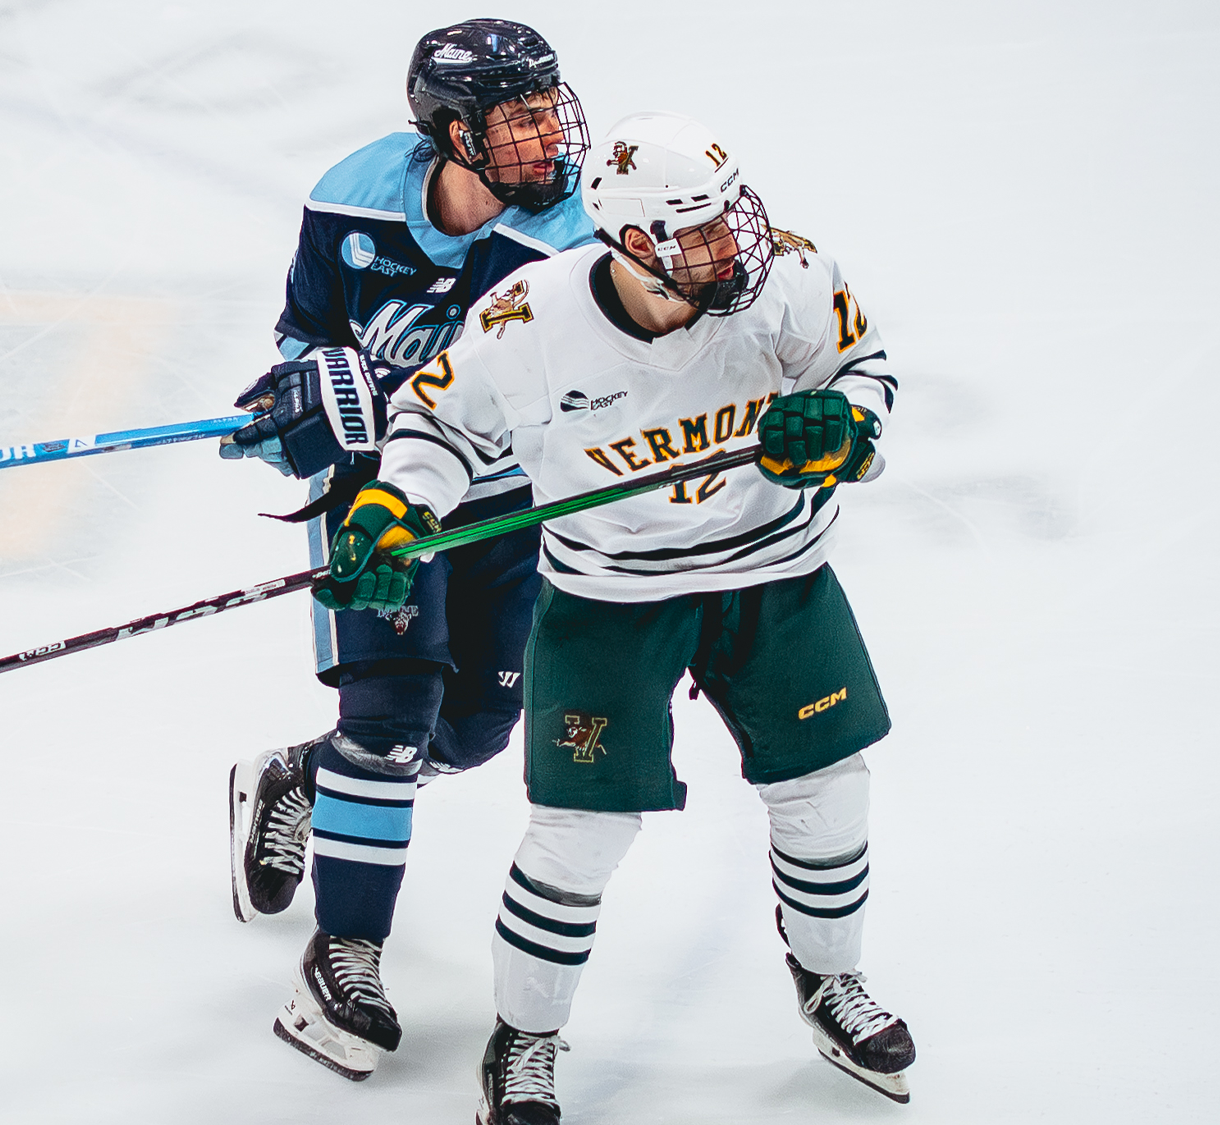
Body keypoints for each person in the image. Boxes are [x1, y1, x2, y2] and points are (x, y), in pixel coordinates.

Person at [314, 111, 915, 1123]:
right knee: (577, 836)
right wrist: (393, 503)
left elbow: (865, 376)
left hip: (773, 577)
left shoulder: (792, 278)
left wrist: (842, 426)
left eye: (734, 215)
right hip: (609, 597)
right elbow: (435, 421)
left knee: (825, 792)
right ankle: (525, 1040)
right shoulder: (526, 322)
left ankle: (829, 984)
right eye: (704, 231)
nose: (739, 243)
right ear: (635, 245)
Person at [219, 19, 593, 1082]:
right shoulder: (352, 193)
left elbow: (557, 400)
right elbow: (305, 335)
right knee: (385, 725)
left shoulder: (570, 243)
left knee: (472, 730)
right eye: (514, 118)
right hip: (383, 500)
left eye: (545, 108)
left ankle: (303, 781)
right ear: (449, 132)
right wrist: (302, 394)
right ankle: (342, 955)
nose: (545, 134)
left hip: (506, 507)